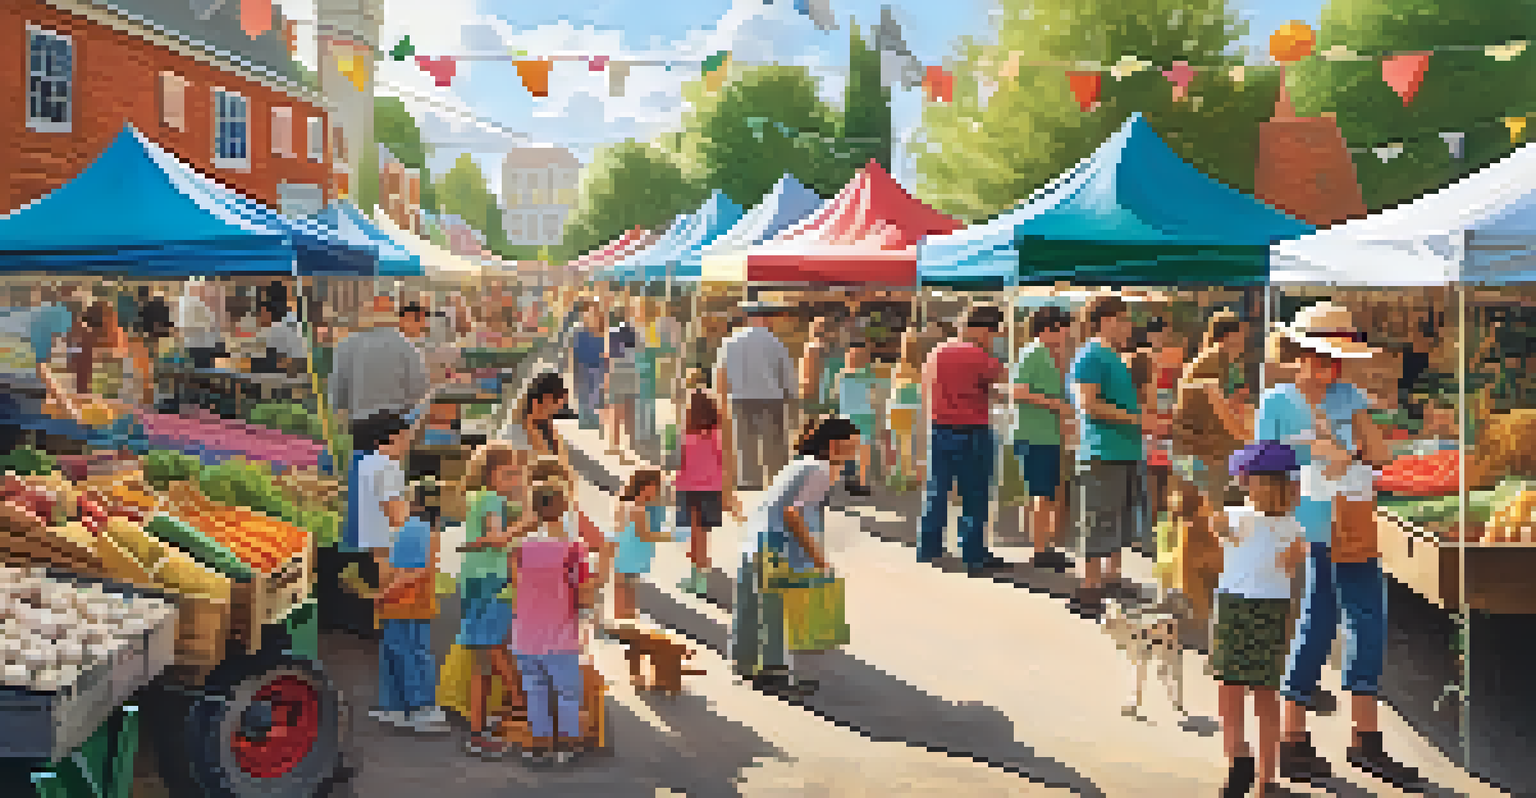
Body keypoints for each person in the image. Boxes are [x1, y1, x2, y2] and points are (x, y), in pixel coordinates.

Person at [1257, 303, 1424, 791]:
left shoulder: (1349, 394)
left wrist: (1345, 445)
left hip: (1351, 524)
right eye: (1324, 357)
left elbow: (1380, 453)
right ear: (1302, 353)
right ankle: (1313, 738)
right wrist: (1309, 460)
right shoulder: (1278, 400)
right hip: (1310, 527)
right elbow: (1260, 469)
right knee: (1331, 622)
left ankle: (1342, 738)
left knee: (1353, 623)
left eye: (1337, 359)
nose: (1331, 368)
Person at [732, 416, 861, 694]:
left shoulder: (801, 463)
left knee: (752, 607)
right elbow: (794, 513)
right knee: (776, 611)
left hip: (757, 541)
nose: (854, 453)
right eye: (850, 447)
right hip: (776, 547)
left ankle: (745, 665)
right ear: (832, 446)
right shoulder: (820, 470)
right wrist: (818, 558)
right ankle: (774, 674)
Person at [1213, 442, 1308, 798]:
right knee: (1254, 692)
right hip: (1253, 607)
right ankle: (1253, 769)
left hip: (1246, 608)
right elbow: (1224, 533)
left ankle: (1251, 766)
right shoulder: (1238, 516)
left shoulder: (1289, 527)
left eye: (1248, 478)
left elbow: (1286, 560)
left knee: (1237, 689)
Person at [355, 410, 450, 734]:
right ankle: (422, 706)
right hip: (399, 562)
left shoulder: (364, 464)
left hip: (377, 556)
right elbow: (397, 517)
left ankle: (393, 704)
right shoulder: (389, 468)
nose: (409, 441)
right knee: (413, 642)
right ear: (389, 438)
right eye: (405, 435)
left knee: (393, 640)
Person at [503, 476, 597, 765]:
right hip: (560, 634)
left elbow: (515, 587)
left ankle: (539, 746)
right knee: (568, 694)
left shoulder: (518, 548)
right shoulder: (574, 550)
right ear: (565, 506)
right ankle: (566, 748)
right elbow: (584, 595)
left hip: (525, 634)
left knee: (535, 690)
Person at [1168, 310, 1252, 625]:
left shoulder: (1223, 363)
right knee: (1202, 523)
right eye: (1241, 334)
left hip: (1204, 453)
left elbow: (1230, 401)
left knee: (1202, 523)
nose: (1244, 340)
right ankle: (1197, 602)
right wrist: (1249, 438)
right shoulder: (1213, 359)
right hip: (1201, 454)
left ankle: (1197, 596)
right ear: (1228, 334)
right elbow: (1220, 408)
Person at [918, 304, 1013, 575]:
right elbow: (1004, 380)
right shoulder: (979, 356)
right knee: (975, 494)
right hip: (972, 430)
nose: (995, 338)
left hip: (939, 428)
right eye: (995, 333)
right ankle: (973, 554)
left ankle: (929, 546)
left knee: (937, 491)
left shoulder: (936, 352)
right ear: (984, 329)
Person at [1068, 294, 1144, 617]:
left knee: (1117, 520)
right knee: (1096, 521)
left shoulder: (1112, 356)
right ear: (1106, 321)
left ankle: (1111, 579)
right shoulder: (1091, 355)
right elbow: (1088, 404)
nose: (1128, 326)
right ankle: (1088, 590)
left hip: (1122, 450)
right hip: (1102, 451)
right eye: (1124, 319)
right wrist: (1136, 419)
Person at [455, 443, 531, 758]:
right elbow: (498, 538)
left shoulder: (481, 498)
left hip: (476, 581)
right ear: (491, 473)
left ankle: (481, 729)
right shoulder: (491, 499)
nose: (514, 480)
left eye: (517, 474)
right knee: (492, 651)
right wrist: (527, 520)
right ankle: (517, 706)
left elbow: (491, 539)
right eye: (509, 473)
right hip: (489, 582)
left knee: (485, 658)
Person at [1012, 305, 1076, 572]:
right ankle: (1040, 550)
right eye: (1063, 328)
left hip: (1049, 434)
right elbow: (1018, 391)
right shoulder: (1032, 353)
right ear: (1048, 329)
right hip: (1034, 434)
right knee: (1041, 494)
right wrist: (1055, 405)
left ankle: (1045, 546)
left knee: (1047, 493)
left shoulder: (1051, 355)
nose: (1067, 333)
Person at [715, 302, 797, 492]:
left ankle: (749, 480)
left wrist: (721, 397)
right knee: (775, 441)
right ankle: (778, 479)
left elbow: (721, 372)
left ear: (748, 318)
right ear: (764, 318)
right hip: (771, 397)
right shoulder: (774, 342)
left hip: (741, 397)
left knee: (744, 440)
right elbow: (787, 373)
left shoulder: (731, 341)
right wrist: (790, 395)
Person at [675, 390, 736, 596]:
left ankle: (698, 577)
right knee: (702, 534)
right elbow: (725, 462)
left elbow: (678, 461)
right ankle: (700, 572)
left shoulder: (685, 435)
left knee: (694, 535)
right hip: (711, 489)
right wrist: (727, 493)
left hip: (688, 489)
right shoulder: (715, 434)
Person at [610, 469, 666, 626]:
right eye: (656, 486)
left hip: (626, 553)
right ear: (645, 485)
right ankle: (625, 626)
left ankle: (626, 625)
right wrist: (674, 536)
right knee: (626, 593)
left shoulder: (630, 503)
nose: (658, 491)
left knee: (626, 592)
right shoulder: (637, 507)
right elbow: (645, 534)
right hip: (628, 554)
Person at [836, 342, 883, 496]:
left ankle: (853, 480)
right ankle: (857, 481)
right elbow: (874, 395)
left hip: (854, 417)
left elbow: (834, 395)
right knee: (859, 452)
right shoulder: (866, 375)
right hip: (858, 417)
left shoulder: (842, 374)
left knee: (855, 452)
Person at [886, 330, 925, 492]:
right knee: (912, 446)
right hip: (913, 409)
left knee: (899, 446)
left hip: (897, 409)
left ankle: (898, 478)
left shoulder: (898, 367)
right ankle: (911, 477)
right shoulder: (920, 367)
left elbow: (894, 390)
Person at [606, 305, 642, 461]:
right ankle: (627, 444)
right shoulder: (635, 333)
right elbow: (639, 354)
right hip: (630, 373)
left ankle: (615, 445)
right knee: (628, 411)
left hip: (619, 372)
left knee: (616, 411)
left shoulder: (613, 333)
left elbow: (610, 357)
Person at [570, 305, 608, 431]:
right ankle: (584, 419)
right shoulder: (581, 333)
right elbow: (575, 353)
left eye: (594, 316)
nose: (591, 318)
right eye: (589, 316)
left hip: (598, 367)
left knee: (595, 393)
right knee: (583, 393)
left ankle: (592, 418)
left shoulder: (603, 334)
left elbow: (605, 354)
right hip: (583, 367)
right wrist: (574, 371)